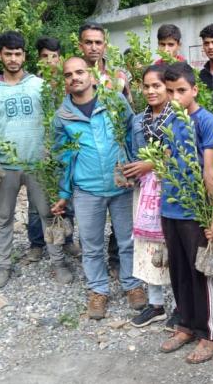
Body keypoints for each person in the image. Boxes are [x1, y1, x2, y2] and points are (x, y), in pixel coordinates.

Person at [51, 56, 147, 319]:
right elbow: (63, 158)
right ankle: (98, 290)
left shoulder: (115, 102)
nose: (75, 78)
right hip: (87, 190)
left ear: (92, 75)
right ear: (65, 82)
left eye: (80, 72)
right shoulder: (62, 117)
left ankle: (132, 284)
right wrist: (63, 194)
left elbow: (131, 133)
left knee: (128, 240)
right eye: (69, 75)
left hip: (121, 185)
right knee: (91, 244)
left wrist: (135, 163)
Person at [0, 31, 71, 288]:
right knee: (5, 216)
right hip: (5, 165)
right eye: (7, 53)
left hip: (38, 163)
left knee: (47, 213)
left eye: (17, 53)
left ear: (24, 56)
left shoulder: (39, 86)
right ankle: (3, 263)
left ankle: (58, 261)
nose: (12, 58)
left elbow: (54, 121)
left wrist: (52, 153)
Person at [158, 62, 213, 364]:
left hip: (195, 210)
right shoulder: (169, 120)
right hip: (170, 207)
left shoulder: (206, 121)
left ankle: (208, 334)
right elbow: (167, 162)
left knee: (201, 274)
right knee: (179, 270)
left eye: (181, 91)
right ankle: (185, 325)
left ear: (194, 90)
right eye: (170, 91)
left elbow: (210, 171)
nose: (175, 97)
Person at [123, 64, 175, 327]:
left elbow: (180, 156)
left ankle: (180, 306)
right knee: (146, 246)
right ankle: (156, 305)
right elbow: (134, 154)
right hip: (144, 193)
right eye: (147, 86)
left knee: (172, 246)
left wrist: (151, 165)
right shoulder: (137, 120)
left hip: (172, 192)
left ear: (168, 87)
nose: (151, 91)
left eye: (157, 85)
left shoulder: (177, 117)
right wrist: (131, 172)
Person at [78, 22, 129, 277]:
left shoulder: (118, 78)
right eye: (89, 42)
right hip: (87, 169)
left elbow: (129, 118)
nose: (94, 47)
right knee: (91, 232)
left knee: (124, 228)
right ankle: (96, 280)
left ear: (105, 45)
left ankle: (121, 266)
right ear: (80, 45)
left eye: (98, 42)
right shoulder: (72, 77)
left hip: (117, 164)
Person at [26, 36, 81, 262]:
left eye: (54, 56)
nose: (49, 61)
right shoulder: (32, 86)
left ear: (61, 58)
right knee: (35, 199)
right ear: (38, 60)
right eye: (44, 57)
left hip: (65, 148)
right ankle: (37, 242)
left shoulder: (70, 83)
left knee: (66, 193)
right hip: (40, 149)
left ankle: (66, 240)